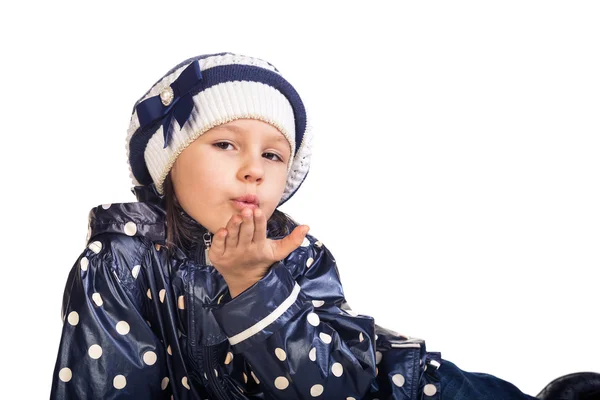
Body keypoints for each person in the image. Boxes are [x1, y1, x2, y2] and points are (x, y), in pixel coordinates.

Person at [50, 52, 598, 399]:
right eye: (225, 145)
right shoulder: (120, 262)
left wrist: (256, 291)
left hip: (399, 389)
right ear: (167, 164)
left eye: (273, 156)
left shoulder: (298, 253)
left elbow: (339, 390)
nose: (253, 169)